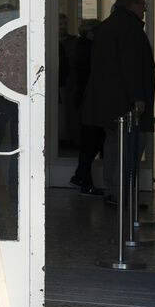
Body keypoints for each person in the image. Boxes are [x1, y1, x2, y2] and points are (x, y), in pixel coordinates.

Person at [81, 0, 155, 206]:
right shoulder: (129, 28)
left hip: (108, 100)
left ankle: (113, 192)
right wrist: (138, 97)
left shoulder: (108, 26)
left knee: (114, 145)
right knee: (129, 147)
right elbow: (131, 67)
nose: (145, 9)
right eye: (142, 4)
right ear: (131, 5)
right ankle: (120, 195)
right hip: (124, 101)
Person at [70, 18, 104, 195]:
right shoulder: (89, 49)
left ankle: (83, 178)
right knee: (92, 142)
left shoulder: (81, 46)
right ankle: (82, 178)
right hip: (90, 101)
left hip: (85, 100)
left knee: (90, 142)